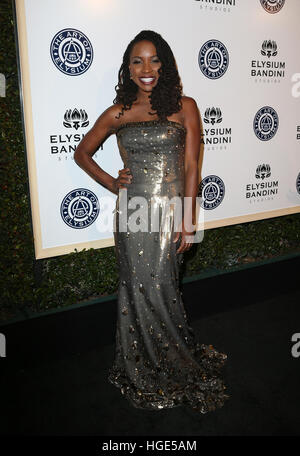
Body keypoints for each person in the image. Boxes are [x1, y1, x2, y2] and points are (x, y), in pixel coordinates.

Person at [74, 30, 229, 413]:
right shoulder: (117, 113)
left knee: (163, 289)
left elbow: (192, 166)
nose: (147, 69)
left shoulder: (185, 106)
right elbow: (82, 152)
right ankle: (143, 362)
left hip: (170, 213)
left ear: (167, 64)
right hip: (133, 214)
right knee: (137, 290)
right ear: (127, 68)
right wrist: (112, 182)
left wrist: (188, 219)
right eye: (138, 61)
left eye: (155, 59)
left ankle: (172, 357)